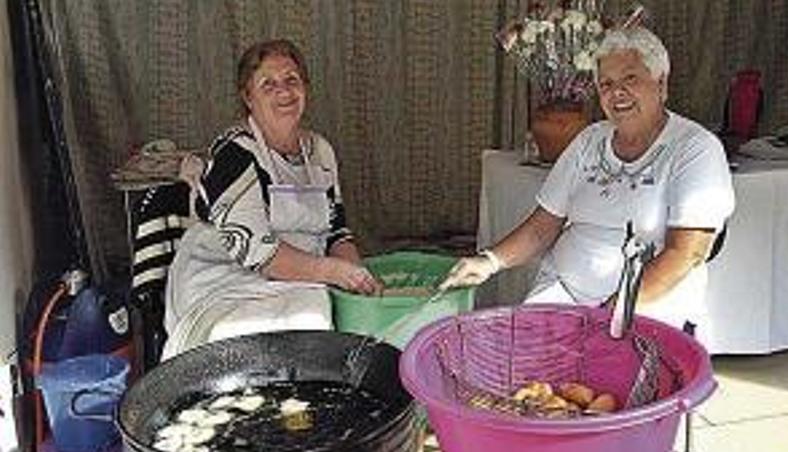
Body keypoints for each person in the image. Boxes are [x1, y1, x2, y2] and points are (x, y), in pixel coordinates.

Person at [442, 26, 735, 330]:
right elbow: (543, 227)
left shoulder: (695, 148)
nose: (616, 92)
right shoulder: (589, 141)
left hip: (644, 305)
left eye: (630, 78)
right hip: (564, 290)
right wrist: (488, 261)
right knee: (522, 363)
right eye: (606, 84)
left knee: (597, 373)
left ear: (661, 83)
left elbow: (685, 254)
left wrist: (611, 314)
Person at [163, 39, 381, 359]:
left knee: (322, 332)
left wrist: (360, 280)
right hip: (226, 281)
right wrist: (336, 273)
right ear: (247, 97)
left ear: (305, 87)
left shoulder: (319, 151)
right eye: (268, 84)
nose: (284, 92)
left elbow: (338, 232)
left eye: (292, 80)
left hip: (300, 277)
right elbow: (257, 253)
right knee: (258, 344)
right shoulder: (235, 153)